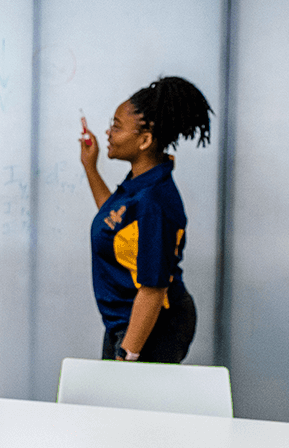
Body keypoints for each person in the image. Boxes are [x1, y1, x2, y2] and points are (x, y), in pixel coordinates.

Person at [78, 76, 210, 363]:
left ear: (145, 140)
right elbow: (114, 221)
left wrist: (128, 354)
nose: (108, 133)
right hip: (126, 322)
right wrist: (90, 166)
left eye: (116, 126)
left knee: (126, 402)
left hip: (150, 327)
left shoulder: (154, 201)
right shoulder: (141, 184)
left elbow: (153, 288)